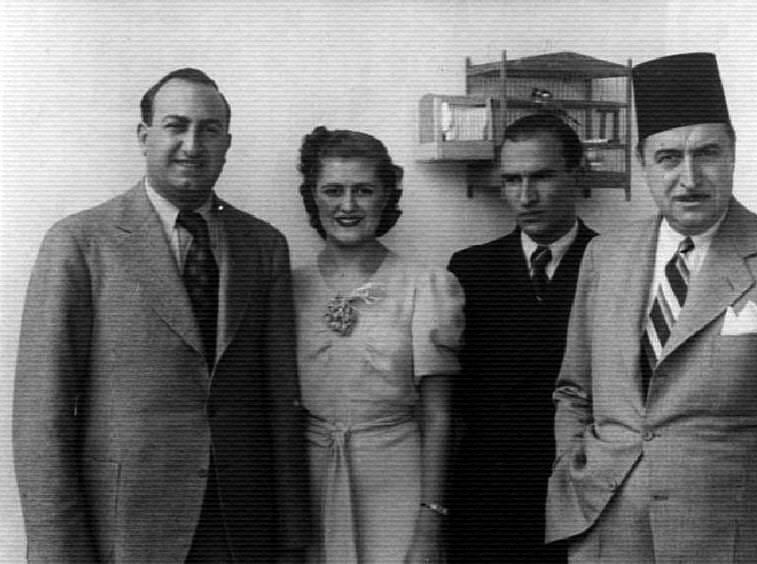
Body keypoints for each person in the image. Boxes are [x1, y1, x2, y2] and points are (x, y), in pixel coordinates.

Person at [546, 52, 757, 563]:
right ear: (644, 164)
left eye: (707, 153)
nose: (689, 178)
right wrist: (574, 471)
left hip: (730, 542)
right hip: (608, 536)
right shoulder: (605, 255)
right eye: (668, 158)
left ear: (733, 155)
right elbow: (574, 391)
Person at [12, 68, 310, 563]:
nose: (192, 145)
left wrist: (291, 540)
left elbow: (282, 403)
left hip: (241, 532)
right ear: (144, 136)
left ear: (227, 143)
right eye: (176, 126)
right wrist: (59, 552)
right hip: (125, 532)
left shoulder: (264, 245)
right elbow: (41, 418)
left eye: (209, 129)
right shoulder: (79, 244)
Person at [293, 126, 464, 564]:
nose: (348, 205)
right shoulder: (288, 288)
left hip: (397, 482)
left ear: (387, 195)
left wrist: (429, 523)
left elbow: (439, 416)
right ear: (312, 196)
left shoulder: (425, 286)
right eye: (333, 190)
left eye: (364, 190)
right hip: (309, 485)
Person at [447, 113, 598, 563]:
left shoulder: (615, 264)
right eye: (512, 180)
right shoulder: (470, 270)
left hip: (580, 493)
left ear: (578, 175)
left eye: (542, 177)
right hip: (487, 502)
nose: (526, 196)